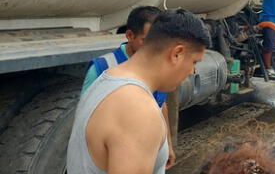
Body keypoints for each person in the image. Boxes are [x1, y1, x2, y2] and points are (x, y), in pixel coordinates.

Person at [67, 9, 211, 174]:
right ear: (177, 54)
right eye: (194, 62)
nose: (192, 71)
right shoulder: (138, 111)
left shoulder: (108, 77)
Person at [81, 6, 176, 169]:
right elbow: (84, 123)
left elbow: (161, 106)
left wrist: (168, 144)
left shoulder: (160, 67)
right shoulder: (101, 69)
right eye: (147, 42)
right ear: (130, 35)